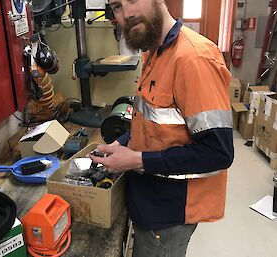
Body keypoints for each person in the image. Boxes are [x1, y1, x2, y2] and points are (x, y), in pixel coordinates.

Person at [90, 0, 234, 256]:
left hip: (170, 212)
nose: (127, 14)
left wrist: (136, 159)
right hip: (148, 199)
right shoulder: (154, 52)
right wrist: (122, 143)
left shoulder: (194, 59)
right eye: (116, 6)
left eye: (133, 0)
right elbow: (155, 122)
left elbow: (218, 153)